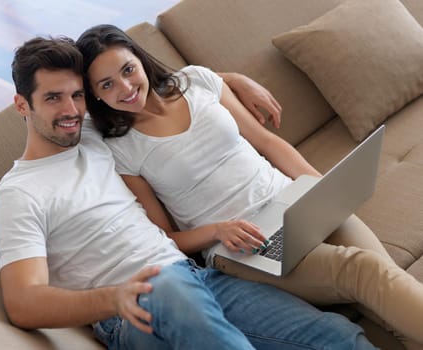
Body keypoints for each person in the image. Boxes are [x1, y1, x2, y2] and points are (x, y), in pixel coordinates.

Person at [0, 36, 376, 350]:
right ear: (22, 104)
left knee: (338, 337)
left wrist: (229, 80)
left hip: (197, 278)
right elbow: (24, 303)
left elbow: (148, 89)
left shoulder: (94, 137)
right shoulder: (18, 195)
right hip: (135, 306)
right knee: (168, 287)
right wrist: (114, 298)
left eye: (77, 96)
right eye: (52, 98)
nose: (70, 109)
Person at [76, 23, 423, 346]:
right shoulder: (120, 149)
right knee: (365, 270)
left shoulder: (197, 81)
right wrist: (217, 231)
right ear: (94, 97)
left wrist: (322, 186)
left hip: (296, 200)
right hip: (245, 247)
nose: (125, 87)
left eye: (127, 69)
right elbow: (165, 236)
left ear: (139, 58)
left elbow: (267, 143)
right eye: (106, 84)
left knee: (386, 288)